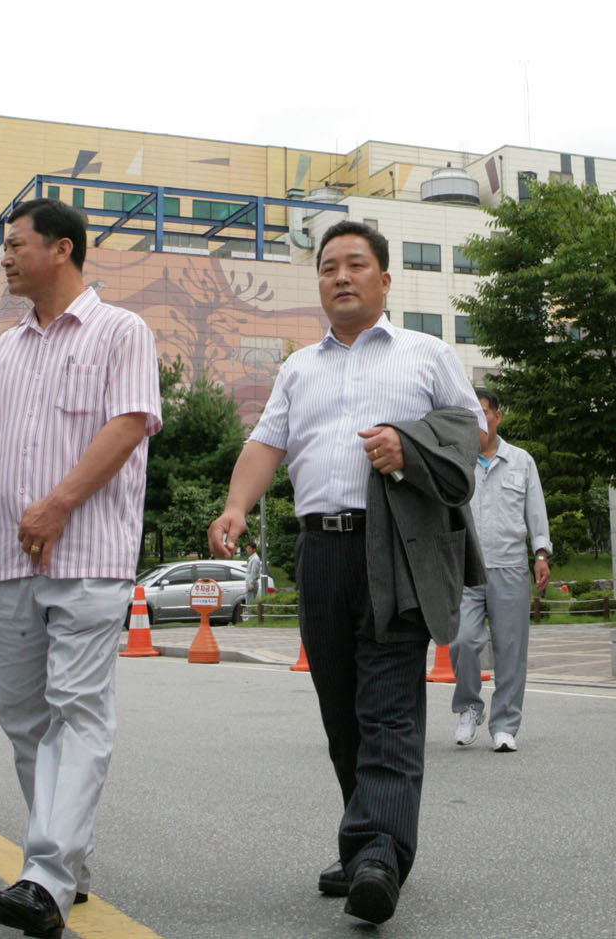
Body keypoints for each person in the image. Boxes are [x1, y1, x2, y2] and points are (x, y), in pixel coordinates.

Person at [208, 221, 485, 926]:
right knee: (340, 709)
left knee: (388, 706)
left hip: (397, 547)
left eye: (355, 264)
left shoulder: (428, 354)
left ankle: (379, 854)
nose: (340, 276)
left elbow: (468, 436)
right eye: (328, 266)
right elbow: (266, 442)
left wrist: (408, 446)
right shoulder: (300, 367)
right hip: (321, 550)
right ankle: (366, 840)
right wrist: (236, 506)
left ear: (384, 279)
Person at [0, 199, 161, 938]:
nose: (5, 257)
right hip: (10, 564)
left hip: (89, 558)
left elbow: (129, 424)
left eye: (17, 244)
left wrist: (59, 504)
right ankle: (67, 861)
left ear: (62, 249)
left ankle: (47, 875)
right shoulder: (7, 348)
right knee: (23, 716)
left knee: (77, 708)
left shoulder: (121, 330)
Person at [449, 389, 552, 752]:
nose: (477, 420)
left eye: (482, 412)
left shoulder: (521, 461)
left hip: (509, 567)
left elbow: (535, 510)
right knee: (462, 640)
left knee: (511, 650)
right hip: (466, 569)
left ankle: (505, 724)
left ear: (497, 416)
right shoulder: (457, 461)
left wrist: (541, 553)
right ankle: (468, 708)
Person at [244, 542, 262, 609]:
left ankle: (250, 615)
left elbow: (253, 572)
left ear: (254, 549)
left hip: (252, 583)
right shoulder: (252, 558)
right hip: (250, 582)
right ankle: (249, 614)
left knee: (250, 603)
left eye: (249, 548)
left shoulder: (255, 559)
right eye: (247, 548)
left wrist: (251, 584)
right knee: (248, 602)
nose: (247, 550)